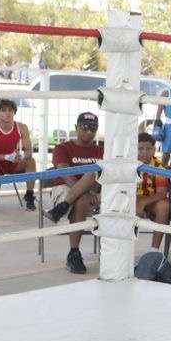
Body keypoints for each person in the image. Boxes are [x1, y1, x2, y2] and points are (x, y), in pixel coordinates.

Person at [46, 112, 104, 274]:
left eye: (93, 128)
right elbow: (65, 174)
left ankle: (62, 210)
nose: (88, 132)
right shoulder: (62, 148)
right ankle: (74, 253)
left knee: (95, 171)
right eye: (84, 127)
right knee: (81, 199)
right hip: (64, 188)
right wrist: (82, 192)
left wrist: (89, 190)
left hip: (92, 192)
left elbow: (102, 178)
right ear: (76, 127)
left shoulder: (101, 151)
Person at [0, 98, 35, 212]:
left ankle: (29, 195)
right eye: (3, 110)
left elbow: (29, 150)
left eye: (10, 110)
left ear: (14, 112)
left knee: (31, 161)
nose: (8, 113)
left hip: (14, 162)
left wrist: (23, 156)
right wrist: (6, 157)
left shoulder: (22, 127)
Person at [135, 132, 171, 250]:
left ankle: (154, 251)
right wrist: (136, 202)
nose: (144, 152)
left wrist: (143, 202)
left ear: (154, 150)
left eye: (148, 149)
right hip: (130, 199)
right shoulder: (128, 164)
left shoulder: (158, 166)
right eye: (140, 149)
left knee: (164, 206)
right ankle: (123, 250)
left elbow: (162, 192)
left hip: (151, 201)